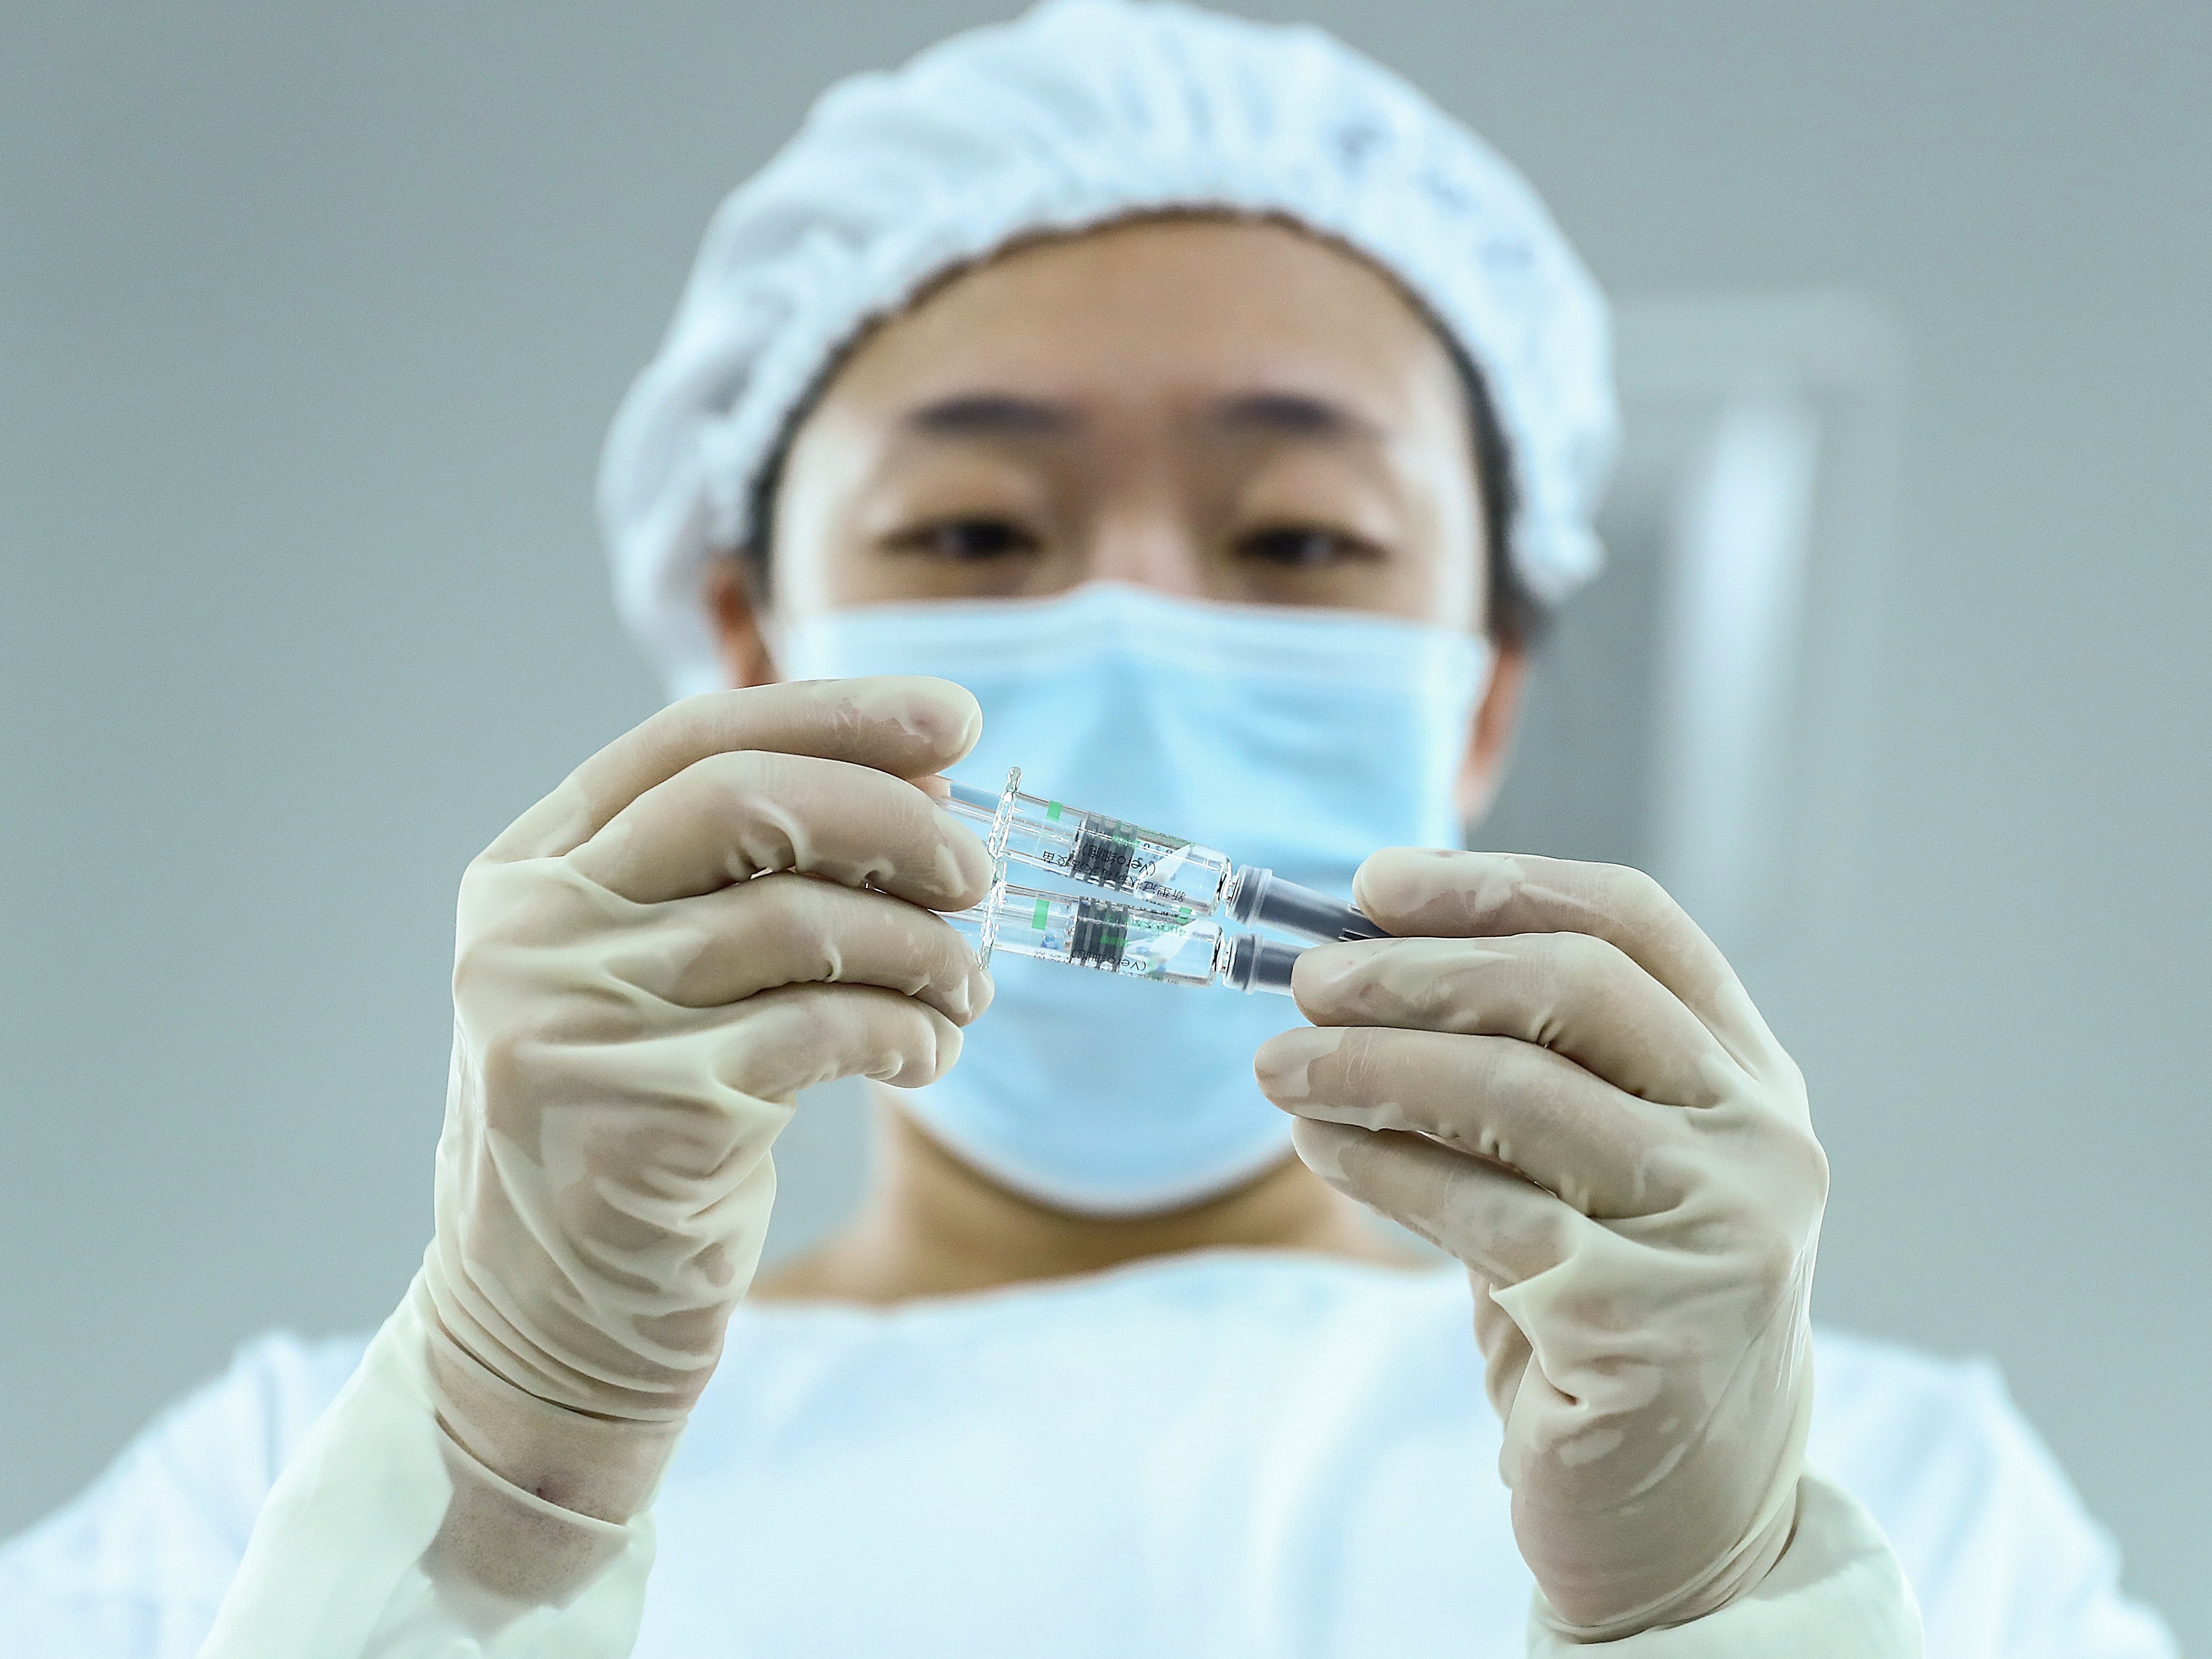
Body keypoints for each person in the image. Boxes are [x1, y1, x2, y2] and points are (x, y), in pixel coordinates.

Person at [0, 3, 2176, 1655]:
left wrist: (1721, 1604)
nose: (1133, 634)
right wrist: (494, 1500)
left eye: (1302, 539)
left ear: (1489, 689)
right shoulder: (268, 1492)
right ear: (749, 641)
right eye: (972, 527)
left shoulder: (1899, 1494)